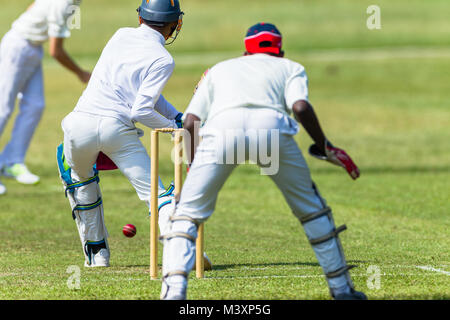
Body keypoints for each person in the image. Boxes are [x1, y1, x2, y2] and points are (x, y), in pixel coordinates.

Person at [159, 22, 367, 300]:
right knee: (312, 210)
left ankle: (173, 292)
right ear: (279, 49)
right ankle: (342, 290)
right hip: (272, 132)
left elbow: (190, 122)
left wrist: (194, 166)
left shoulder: (221, 68)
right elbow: (300, 107)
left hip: (222, 132)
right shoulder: (290, 67)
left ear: (246, 51)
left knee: (186, 213)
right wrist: (324, 145)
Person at [57, 0, 212, 270]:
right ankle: (183, 250)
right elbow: (141, 109)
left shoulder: (121, 34)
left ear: (140, 17)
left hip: (78, 124)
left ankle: (97, 256)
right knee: (157, 195)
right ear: (175, 24)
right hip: (117, 129)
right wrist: (174, 127)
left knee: (78, 177)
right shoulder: (163, 59)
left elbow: (146, 96)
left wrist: (175, 116)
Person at [0, 0, 90, 195]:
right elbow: (56, 51)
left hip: (32, 49)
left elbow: (32, 7)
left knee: (35, 105)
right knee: (3, 108)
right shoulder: (63, 4)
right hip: (17, 48)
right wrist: (81, 73)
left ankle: (11, 161)